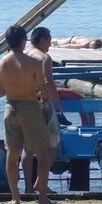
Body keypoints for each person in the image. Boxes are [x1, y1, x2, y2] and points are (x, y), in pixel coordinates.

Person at [0, 25, 54, 204]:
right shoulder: (33, 63)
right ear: (24, 41)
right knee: (43, 153)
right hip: (30, 108)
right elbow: (44, 92)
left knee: (12, 153)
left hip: (10, 107)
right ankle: (42, 198)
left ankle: (15, 198)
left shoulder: (2, 62)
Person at [23, 26, 60, 195]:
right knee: (53, 146)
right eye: (50, 39)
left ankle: (28, 188)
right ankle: (40, 184)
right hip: (41, 103)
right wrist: (57, 105)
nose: (51, 43)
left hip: (23, 103)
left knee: (27, 149)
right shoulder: (44, 57)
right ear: (43, 40)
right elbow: (48, 82)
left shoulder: (22, 55)